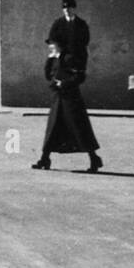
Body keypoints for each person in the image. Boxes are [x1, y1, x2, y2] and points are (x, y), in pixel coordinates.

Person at [31, 41, 103, 173]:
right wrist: (50, 59)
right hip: (58, 99)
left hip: (71, 99)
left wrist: (63, 84)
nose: (50, 46)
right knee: (52, 129)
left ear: (59, 44)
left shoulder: (70, 58)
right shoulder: (54, 59)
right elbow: (48, 76)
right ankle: (44, 159)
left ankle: (94, 159)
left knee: (79, 129)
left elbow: (80, 76)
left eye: (52, 43)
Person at [47, 0, 90, 67]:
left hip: (77, 56)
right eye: (64, 7)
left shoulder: (82, 24)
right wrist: (58, 51)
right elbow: (51, 38)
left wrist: (73, 53)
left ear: (74, 8)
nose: (66, 10)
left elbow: (85, 40)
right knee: (51, 68)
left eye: (69, 7)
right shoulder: (57, 23)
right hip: (61, 56)